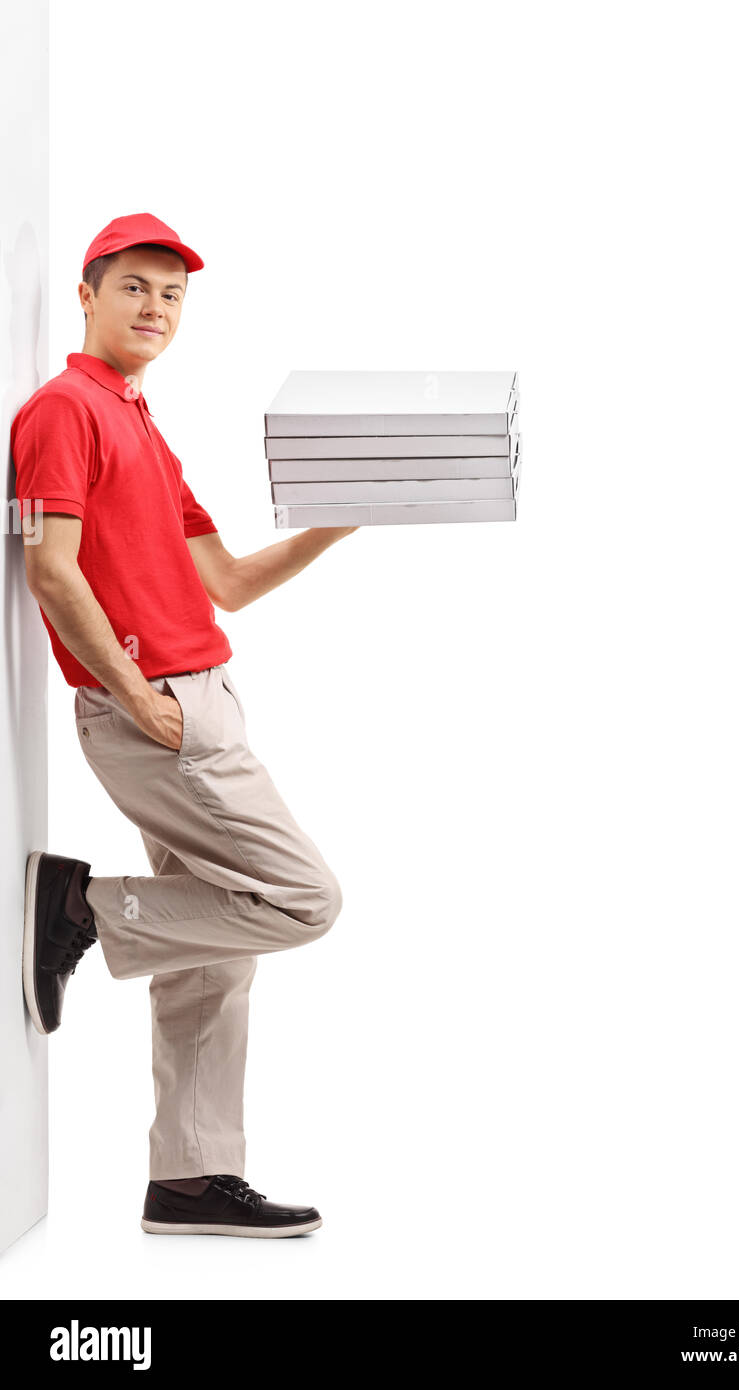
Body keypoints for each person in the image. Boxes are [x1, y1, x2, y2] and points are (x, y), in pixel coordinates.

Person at [11, 212, 358, 1239]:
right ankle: (79, 907)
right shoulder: (64, 411)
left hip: (200, 695)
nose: (156, 307)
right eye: (135, 288)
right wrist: (133, 694)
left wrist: (340, 518)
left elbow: (232, 582)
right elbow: (49, 567)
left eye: (172, 295)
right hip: (162, 711)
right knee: (301, 899)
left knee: (211, 949)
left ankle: (191, 1177)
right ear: (87, 294)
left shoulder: (142, 426)